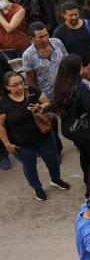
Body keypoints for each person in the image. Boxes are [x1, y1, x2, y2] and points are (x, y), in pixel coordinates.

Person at [0, 71, 67, 199]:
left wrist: (40, 107)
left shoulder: (32, 90)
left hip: (44, 137)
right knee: (29, 166)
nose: (20, 87)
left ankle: (56, 179)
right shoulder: (3, 103)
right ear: (6, 87)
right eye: (15, 85)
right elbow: (1, 126)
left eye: (21, 82)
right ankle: (37, 188)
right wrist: (7, 144)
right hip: (22, 144)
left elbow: (47, 103)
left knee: (53, 159)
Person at [53, 54, 90, 199]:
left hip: (70, 129)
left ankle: (88, 181)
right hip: (85, 129)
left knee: (85, 153)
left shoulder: (59, 85)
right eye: (81, 65)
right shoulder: (79, 87)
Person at [54, 0, 90, 84]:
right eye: (70, 15)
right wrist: (80, 71)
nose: (74, 17)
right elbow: (59, 56)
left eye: (76, 14)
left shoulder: (88, 24)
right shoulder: (58, 33)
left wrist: (89, 68)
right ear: (63, 15)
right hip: (74, 75)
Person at [21, 23, 67, 107]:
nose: (45, 39)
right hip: (48, 98)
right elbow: (31, 81)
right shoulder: (28, 55)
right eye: (41, 37)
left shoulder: (57, 42)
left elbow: (68, 62)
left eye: (46, 35)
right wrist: (40, 99)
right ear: (32, 38)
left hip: (67, 91)